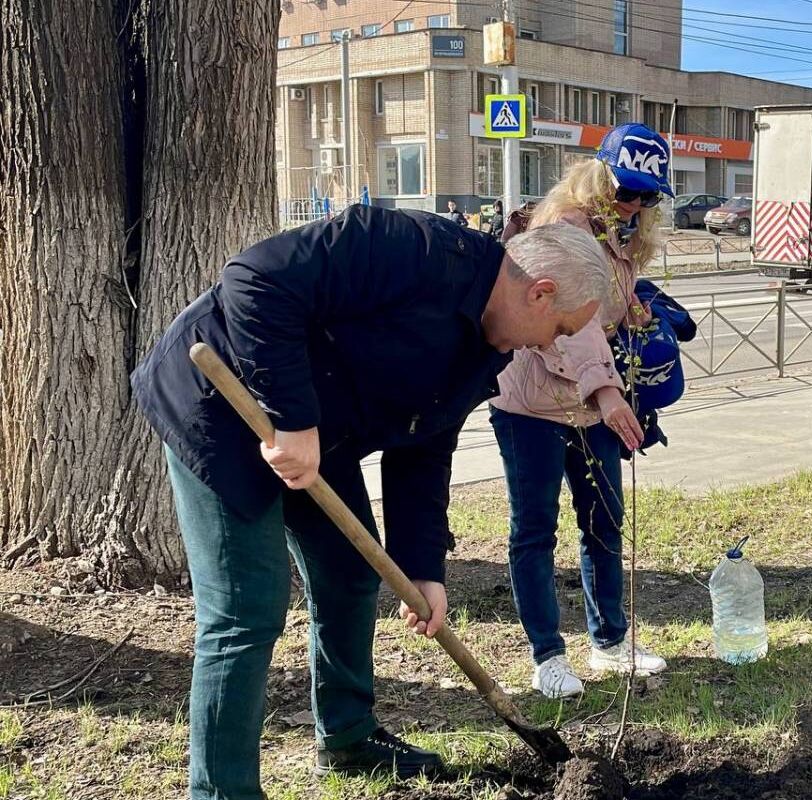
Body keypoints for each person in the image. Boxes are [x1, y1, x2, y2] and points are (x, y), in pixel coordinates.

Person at [131, 206, 612, 800]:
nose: (554, 347)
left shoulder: (489, 347)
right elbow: (254, 280)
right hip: (224, 402)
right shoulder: (412, 250)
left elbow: (425, 448)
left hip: (315, 427)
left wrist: (422, 569)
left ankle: (348, 736)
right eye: (562, 330)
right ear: (540, 293)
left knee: (352, 575)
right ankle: (222, 791)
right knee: (246, 609)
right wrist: (294, 421)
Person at [489, 123, 672, 698]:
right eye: (626, 190)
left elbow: (604, 313)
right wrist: (606, 389)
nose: (635, 204)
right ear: (598, 175)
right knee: (535, 528)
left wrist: (641, 312)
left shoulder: (621, 237)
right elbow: (566, 323)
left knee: (603, 522)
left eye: (648, 196)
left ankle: (610, 641)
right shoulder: (561, 227)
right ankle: (547, 656)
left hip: (591, 403)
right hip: (531, 403)